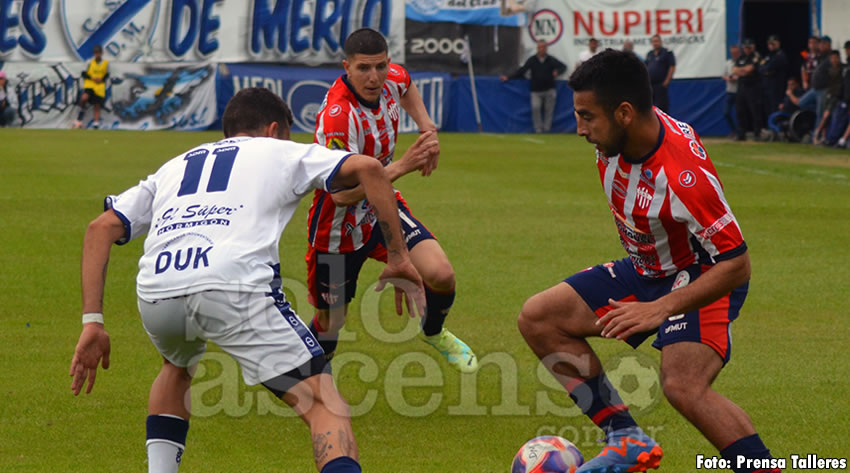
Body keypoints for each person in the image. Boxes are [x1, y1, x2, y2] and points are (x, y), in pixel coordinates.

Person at [69, 87, 427, 473]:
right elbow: (370, 170)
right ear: (274, 130)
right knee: (325, 406)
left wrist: (93, 322)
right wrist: (398, 256)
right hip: (233, 284)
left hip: (158, 290)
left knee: (176, 367)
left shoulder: (176, 165)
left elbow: (101, 227)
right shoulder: (279, 150)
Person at [518, 50, 780, 473]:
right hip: (646, 267)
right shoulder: (627, 127)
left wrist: (659, 309)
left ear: (623, 113)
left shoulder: (681, 178)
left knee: (683, 385)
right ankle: (625, 438)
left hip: (701, 272)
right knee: (539, 318)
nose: (579, 129)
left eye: (587, 117)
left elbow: (737, 263)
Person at [306, 28, 478, 373]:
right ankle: (311, 380)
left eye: (380, 67)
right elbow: (340, 197)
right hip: (338, 229)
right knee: (331, 321)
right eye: (364, 69)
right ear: (346, 67)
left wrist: (428, 129)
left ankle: (433, 332)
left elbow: (407, 83)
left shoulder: (391, 77)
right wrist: (401, 166)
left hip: (382, 206)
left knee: (441, 274)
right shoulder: (339, 119)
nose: (375, 78)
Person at [500, 40, 567, 133]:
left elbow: (563, 66)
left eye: (543, 47)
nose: (542, 49)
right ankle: (538, 128)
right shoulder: (532, 60)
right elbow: (522, 70)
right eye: (540, 47)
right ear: (537, 48)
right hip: (536, 90)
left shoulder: (551, 60)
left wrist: (557, 72)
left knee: (549, 110)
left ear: (546, 48)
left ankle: (547, 128)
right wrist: (508, 77)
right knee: (535, 108)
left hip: (549, 89)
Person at [733, 38, 764, 140]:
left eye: (749, 47)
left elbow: (750, 69)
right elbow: (735, 70)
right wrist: (744, 71)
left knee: (754, 111)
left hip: (753, 87)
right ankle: (741, 134)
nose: (747, 49)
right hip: (742, 87)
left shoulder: (756, 56)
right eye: (745, 47)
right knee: (740, 111)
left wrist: (743, 70)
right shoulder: (741, 57)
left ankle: (757, 133)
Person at [73, 44, 109, 129]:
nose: (97, 54)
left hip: (99, 87)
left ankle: (95, 124)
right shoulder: (90, 62)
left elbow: (107, 75)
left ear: (101, 53)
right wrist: (92, 78)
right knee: (84, 98)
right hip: (90, 86)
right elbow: (83, 73)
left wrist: (101, 79)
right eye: (96, 53)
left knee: (97, 105)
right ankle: (81, 113)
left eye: (99, 53)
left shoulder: (105, 63)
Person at [759, 35, 789, 117]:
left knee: (775, 107)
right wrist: (766, 71)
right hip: (766, 85)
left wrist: (766, 70)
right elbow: (760, 69)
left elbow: (769, 67)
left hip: (776, 87)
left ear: (778, 44)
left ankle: (776, 126)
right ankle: (770, 126)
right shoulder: (768, 56)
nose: (771, 46)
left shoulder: (780, 55)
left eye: (773, 44)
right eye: (769, 44)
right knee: (767, 107)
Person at [645, 35, 675, 112]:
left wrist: (667, 81)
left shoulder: (666, 52)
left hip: (661, 84)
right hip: (651, 85)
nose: (655, 43)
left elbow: (672, 66)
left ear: (661, 42)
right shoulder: (650, 54)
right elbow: (646, 67)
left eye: (657, 41)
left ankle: (662, 123)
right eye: (654, 41)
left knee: (661, 107)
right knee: (650, 107)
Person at [722, 45, 741, 138]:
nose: (734, 55)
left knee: (739, 113)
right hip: (730, 91)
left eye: (736, 53)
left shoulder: (741, 62)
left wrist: (737, 78)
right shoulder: (728, 63)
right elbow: (723, 75)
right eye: (732, 53)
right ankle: (734, 130)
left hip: (739, 91)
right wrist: (728, 78)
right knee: (726, 112)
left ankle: (740, 132)